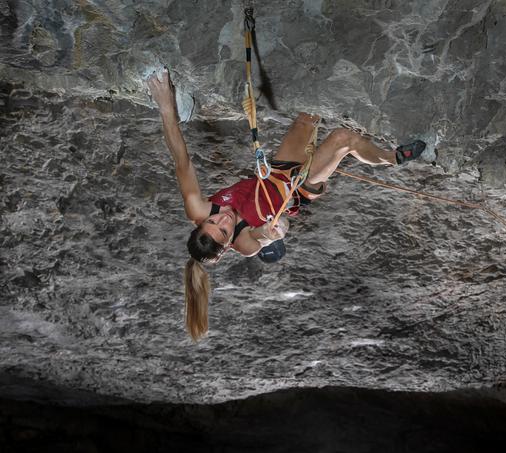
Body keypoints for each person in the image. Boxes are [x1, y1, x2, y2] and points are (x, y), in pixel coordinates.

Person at [147, 68, 426, 340]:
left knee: (311, 112)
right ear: (224, 249)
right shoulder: (243, 245)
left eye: (212, 222)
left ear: (201, 222)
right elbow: (265, 234)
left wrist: (166, 106)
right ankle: (393, 158)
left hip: (279, 171)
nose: (224, 220)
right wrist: (276, 230)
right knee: (343, 139)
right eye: (223, 231)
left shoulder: (199, 208)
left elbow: (181, 160)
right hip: (298, 189)